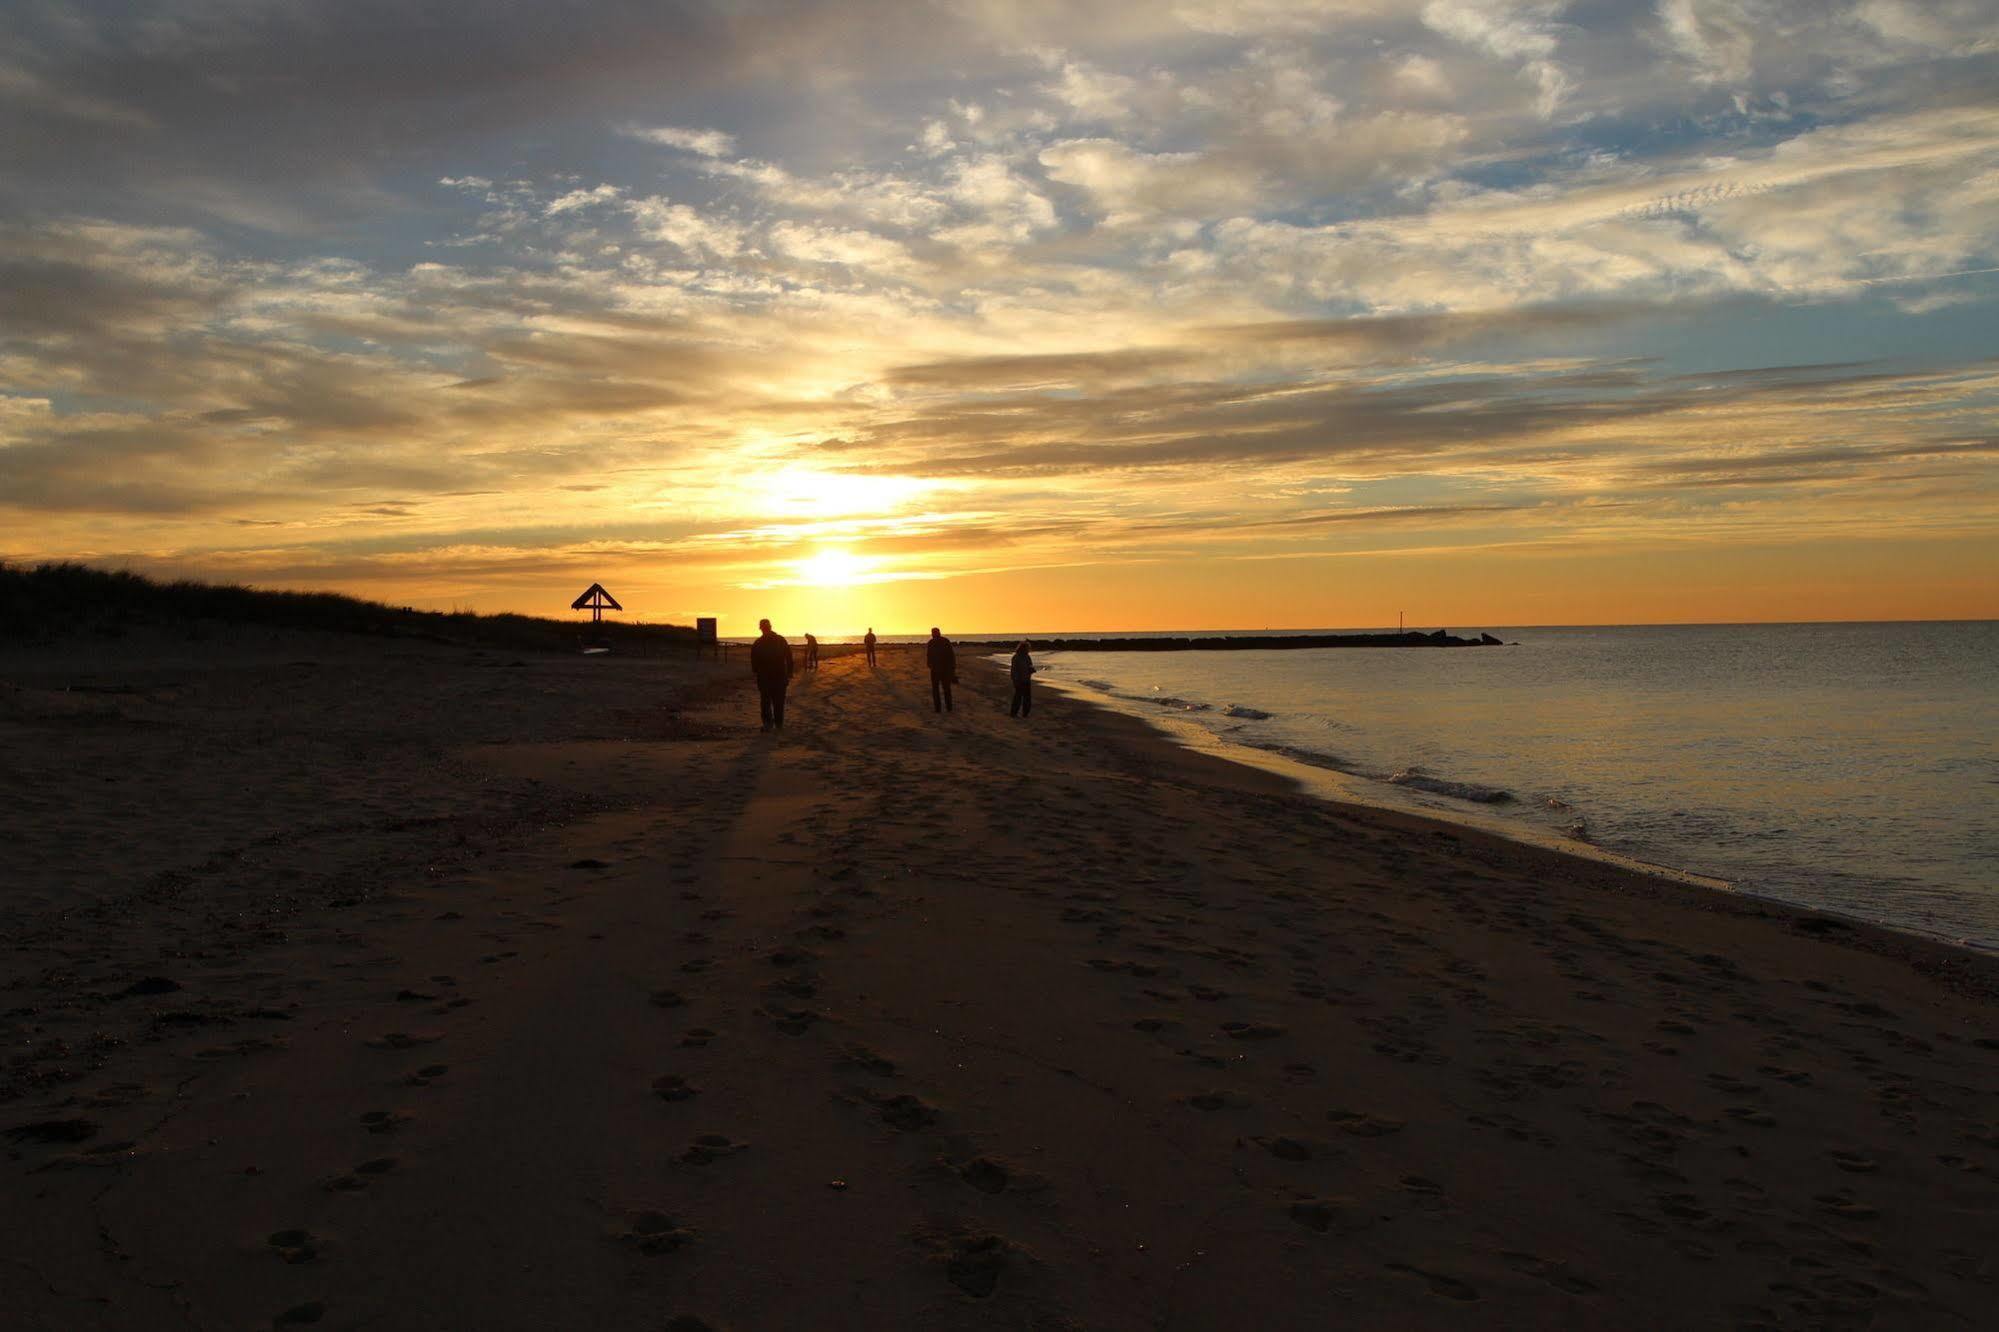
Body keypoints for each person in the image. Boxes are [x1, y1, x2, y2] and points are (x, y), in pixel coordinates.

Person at [749, 618, 794, 730]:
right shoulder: (780, 640)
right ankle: (777, 724)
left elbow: (754, 662)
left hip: (768, 677)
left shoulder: (758, 643)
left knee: (767, 701)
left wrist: (756, 672)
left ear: (761, 629)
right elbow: (789, 658)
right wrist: (789, 673)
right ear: (770, 627)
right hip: (777, 677)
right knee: (776, 702)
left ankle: (769, 724)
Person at [925, 626, 956, 714]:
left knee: (938, 689)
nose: (933, 634)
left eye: (933, 633)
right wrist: (952, 668)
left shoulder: (934, 642)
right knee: (945, 689)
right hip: (941, 669)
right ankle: (947, 708)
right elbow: (951, 656)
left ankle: (940, 709)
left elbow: (929, 656)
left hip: (939, 669)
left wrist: (929, 664)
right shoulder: (943, 641)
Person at [1009, 640, 1036, 718]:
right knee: (1018, 697)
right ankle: (1013, 713)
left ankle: (1025, 714)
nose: (1029, 649)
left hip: (1026, 679)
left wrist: (1031, 670)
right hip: (1019, 680)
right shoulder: (1016, 657)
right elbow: (1014, 670)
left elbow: (1030, 666)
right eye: (1028, 648)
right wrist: (1015, 680)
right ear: (1023, 648)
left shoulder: (1027, 656)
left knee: (1027, 698)